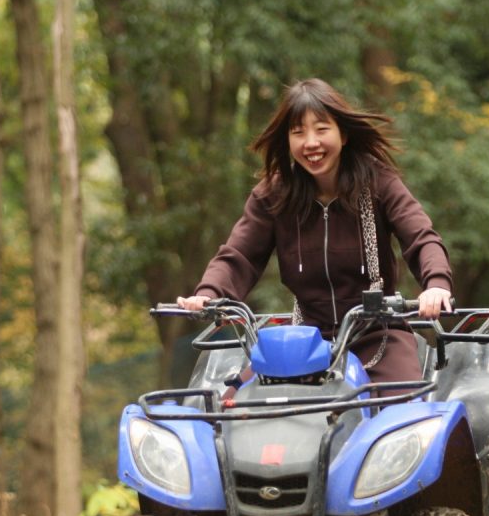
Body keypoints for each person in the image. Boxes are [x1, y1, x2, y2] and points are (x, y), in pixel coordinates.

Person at [177, 78, 453, 386]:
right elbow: (239, 254)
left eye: (321, 129)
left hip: (378, 335)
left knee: (404, 406)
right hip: (304, 340)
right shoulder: (273, 195)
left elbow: (421, 236)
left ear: (343, 134)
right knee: (236, 402)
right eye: (298, 132)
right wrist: (209, 293)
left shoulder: (379, 183)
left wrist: (436, 284)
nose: (311, 143)